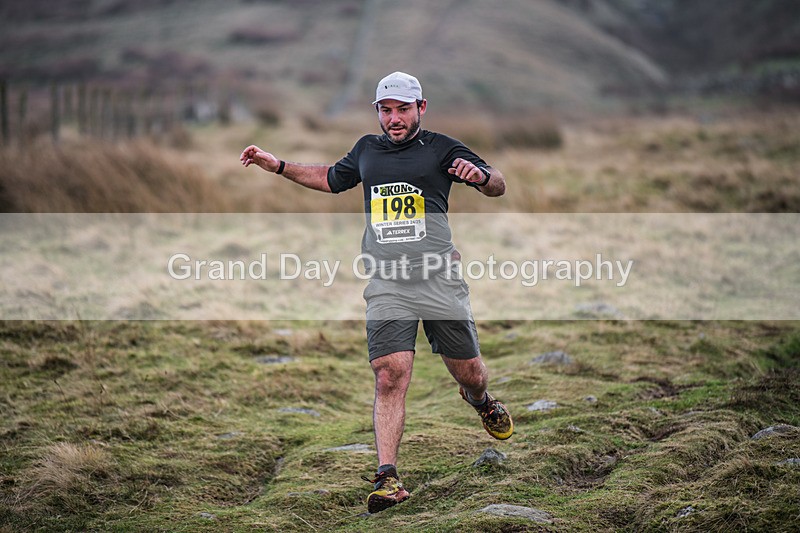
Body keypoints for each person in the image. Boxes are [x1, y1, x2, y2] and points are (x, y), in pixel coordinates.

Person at [240, 71, 513, 513]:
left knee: (470, 373)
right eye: (386, 110)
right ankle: (388, 478)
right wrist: (280, 166)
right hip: (388, 282)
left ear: (421, 108)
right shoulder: (367, 150)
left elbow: (497, 183)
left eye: (403, 110)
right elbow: (331, 177)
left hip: (439, 278)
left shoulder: (443, 148)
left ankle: (481, 402)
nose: (394, 119)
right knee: (389, 374)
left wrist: (480, 177)